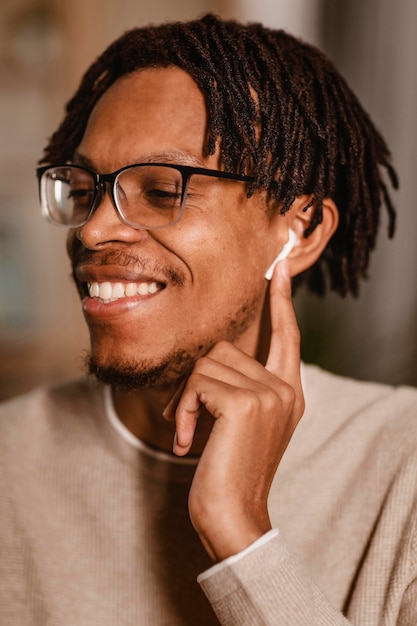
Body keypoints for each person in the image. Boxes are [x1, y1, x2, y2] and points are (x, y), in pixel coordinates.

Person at [1, 13, 416, 625]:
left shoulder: (403, 465)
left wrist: (241, 537)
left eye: (164, 190)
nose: (91, 229)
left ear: (298, 230)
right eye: (87, 189)